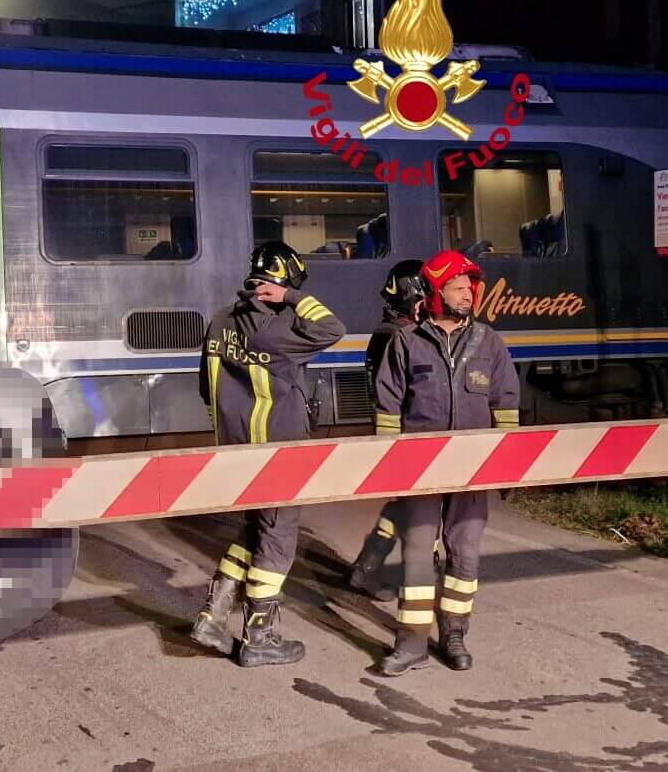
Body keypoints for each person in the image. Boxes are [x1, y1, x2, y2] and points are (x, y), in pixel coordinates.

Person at [189, 241, 346, 667]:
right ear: (284, 281)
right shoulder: (278, 328)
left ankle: (212, 617)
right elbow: (333, 328)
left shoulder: (221, 320)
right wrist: (290, 298)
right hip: (276, 453)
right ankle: (259, 638)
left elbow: (206, 388)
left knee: (255, 531)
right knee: (277, 540)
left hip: (235, 453)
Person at [373, 250, 519, 676]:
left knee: (465, 553)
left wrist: (508, 464)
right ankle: (412, 644)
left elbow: (506, 404)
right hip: (419, 470)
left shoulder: (488, 342)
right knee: (419, 554)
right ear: (436, 293)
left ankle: (454, 634)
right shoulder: (406, 341)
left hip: (471, 471)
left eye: (470, 288)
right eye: (457, 288)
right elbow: (387, 407)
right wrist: (389, 466)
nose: (468, 294)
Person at [346, 259, 428, 602]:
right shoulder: (401, 335)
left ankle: (366, 567)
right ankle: (382, 572)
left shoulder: (389, 331)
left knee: (406, 507)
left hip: (405, 433)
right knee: (420, 510)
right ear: (413, 293)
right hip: (410, 433)